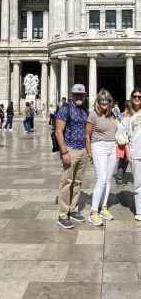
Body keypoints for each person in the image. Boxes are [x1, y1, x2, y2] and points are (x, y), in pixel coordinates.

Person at [55, 83, 89, 229]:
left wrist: (88, 152)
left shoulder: (85, 111)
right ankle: (63, 215)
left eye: (81, 95)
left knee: (77, 182)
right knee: (66, 182)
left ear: (85, 96)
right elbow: (58, 132)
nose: (79, 97)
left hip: (82, 151)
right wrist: (64, 152)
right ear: (72, 95)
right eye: (76, 94)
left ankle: (73, 209)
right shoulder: (64, 110)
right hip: (70, 149)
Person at [85, 90, 117, 226]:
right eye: (101, 100)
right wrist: (89, 152)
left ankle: (103, 207)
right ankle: (93, 211)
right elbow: (87, 135)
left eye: (107, 100)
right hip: (99, 146)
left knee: (108, 179)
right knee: (101, 179)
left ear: (110, 102)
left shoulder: (112, 115)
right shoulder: (93, 115)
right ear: (97, 102)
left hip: (112, 146)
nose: (104, 103)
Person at [126, 88, 141, 220]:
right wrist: (128, 152)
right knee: (138, 183)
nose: (137, 98)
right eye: (135, 96)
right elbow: (124, 136)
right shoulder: (128, 115)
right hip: (136, 152)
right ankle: (139, 211)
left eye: (139, 97)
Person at [115, 100, 132, 185]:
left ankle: (120, 176)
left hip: (126, 141)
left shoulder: (122, 115)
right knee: (123, 160)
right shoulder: (121, 116)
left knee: (125, 159)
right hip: (124, 141)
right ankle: (119, 177)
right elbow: (119, 128)